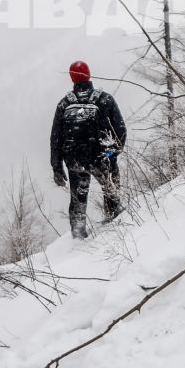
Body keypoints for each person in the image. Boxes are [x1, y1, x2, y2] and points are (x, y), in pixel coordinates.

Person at [49, 60, 128, 240]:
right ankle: (114, 229)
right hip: (102, 159)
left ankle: (78, 238)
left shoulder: (64, 104)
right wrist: (111, 154)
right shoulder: (105, 99)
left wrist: (57, 168)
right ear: (89, 74)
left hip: (75, 162)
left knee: (78, 201)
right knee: (111, 192)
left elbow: (55, 139)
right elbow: (121, 131)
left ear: (72, 79)